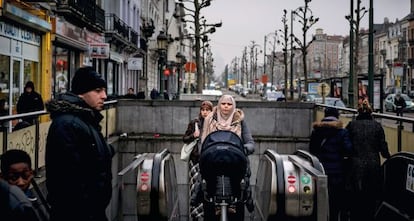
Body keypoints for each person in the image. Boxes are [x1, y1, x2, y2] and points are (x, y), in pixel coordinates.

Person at [45, 66, 114, 221]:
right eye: (98, 90)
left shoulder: (84, 119)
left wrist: (108, 150)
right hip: (79, 214)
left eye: (104, 90)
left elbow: (89, 154)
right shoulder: (68, 124)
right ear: (81, 93)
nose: (104, 96)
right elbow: (67, 178)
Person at [200, 94, 255, 213]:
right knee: (202, 177)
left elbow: (250, 142)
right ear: (219, 105)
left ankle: (246, 198)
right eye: (223, 104)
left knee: (244, 178)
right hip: (213, 161)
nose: (226, 106)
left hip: (235, 161)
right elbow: (204, 140)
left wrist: (244, 149)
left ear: (233, 106)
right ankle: (197, 197)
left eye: (229, 104)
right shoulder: (209, 119)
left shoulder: (239, 121)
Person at [345, 99, 391, 221]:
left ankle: (355, 216)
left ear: (358, 112)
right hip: (373, 165)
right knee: (371, 195)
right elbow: (383, 148)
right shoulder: (377, 126)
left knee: (356, 196)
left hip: (355, 165)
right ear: (371, 112)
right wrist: (389, 157)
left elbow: (346, 145)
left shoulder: (351, 125)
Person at [309, 107, 353, 221]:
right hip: (337, 172)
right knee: (335, 201)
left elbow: (312, 150)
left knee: (320, 199)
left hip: (320, 171)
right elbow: (348, 149)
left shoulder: (316, 131)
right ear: (337, 117)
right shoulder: (342, 132)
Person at [183, 100, 213, 220]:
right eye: (203, 110)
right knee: (194, 187)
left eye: (207, 110)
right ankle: (195, 215)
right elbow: (184, 138)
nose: (205, 112)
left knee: (207, 188)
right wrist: (193, 136)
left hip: (209, 160)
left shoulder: (214, 123)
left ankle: (207, 215)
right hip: (196, 160)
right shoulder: (195, 122)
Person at [0, 149, 50, 221]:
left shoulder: (37, 201)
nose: (21, 182)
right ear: (2, 178)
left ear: (31, 174)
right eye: (13, 178)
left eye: (25, 176)